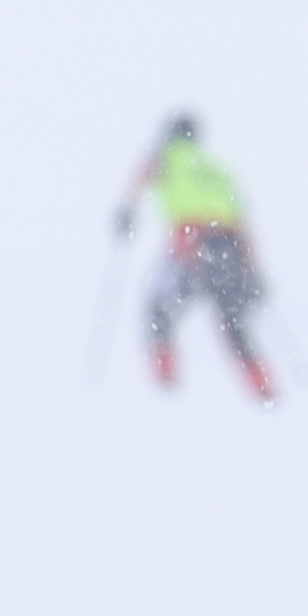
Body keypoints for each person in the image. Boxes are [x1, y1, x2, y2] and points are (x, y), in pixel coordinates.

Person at [113, 112, 276, 401]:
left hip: (192, 243)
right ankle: (263, 387)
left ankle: (165, 380)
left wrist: (126, 212)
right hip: (231, 247)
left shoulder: (166, 157)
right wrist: (253, 268)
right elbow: (242, 220)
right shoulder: (217, 167)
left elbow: (141, 178)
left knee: (158, 307)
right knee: (233, 323)